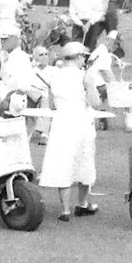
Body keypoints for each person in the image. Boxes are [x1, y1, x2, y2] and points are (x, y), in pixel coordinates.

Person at [38, 44, 100, 221]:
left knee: (63, 164)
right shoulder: (84, 76)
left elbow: (51, 105)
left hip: (61, 125)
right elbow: (95, 102)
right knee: (84, 163)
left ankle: (65, 209)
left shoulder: (54, 76)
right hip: (81, 123)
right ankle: (82, 204)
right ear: (79, 57)